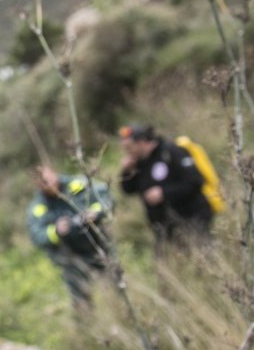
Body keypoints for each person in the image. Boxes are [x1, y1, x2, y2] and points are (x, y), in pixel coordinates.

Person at [118, 123, 213, 253]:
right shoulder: (138, 162)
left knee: (199, 260)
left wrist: (164, 193)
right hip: (163, 228)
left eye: (129, 148)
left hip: (192, 220)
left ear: (142, 142)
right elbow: (128, 190)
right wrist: (126, 171)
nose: (127, 152)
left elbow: (195, 182)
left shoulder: (171, 152)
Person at [26, 165, 112, 307]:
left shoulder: (77, 184)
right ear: (36, 186)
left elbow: (106, 197)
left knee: (115, 286)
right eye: (42, 183)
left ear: (54, 173)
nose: (48, 184)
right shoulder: (38, 207)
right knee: (81, 302)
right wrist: (55, 231)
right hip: (72, 259)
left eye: (48, 179)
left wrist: (95, 213)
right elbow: (36, 235)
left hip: (99, 247)